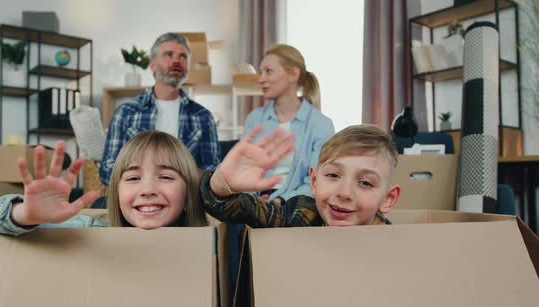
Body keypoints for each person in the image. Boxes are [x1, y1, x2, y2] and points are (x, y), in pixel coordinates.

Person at [0, 131, 208, 235]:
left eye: (166, 177)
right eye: (133, 178)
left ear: (188, 196)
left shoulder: (208, 245)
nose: (147, 190)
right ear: (116, 194)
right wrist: (25, 214)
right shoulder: (90, 231)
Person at [201, 124, 401, 227]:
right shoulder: (298, 214)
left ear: (388, 199)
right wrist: (223, 183)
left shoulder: (393, 246)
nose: (344, 192)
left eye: (365, 182)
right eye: (333, 175)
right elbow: (237, 209)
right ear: (314, 181)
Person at [99, 32, 220, 186]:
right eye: (169, 55)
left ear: (188, 66)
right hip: (136, 199)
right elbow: (107, 171)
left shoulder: (203, 117)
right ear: (152, 64)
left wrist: (179, 177)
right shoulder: (126, 113)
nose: (177, 60)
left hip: (186, 201)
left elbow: (212, 173)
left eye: (183, 56)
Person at [243, 44, 334, 203]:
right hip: (255, 203)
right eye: (261, 72)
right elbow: (243, 169)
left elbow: (317, 181)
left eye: (268, 71)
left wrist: (279, 201)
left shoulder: (321, 124)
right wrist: (254, 202)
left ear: (293, 74)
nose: (261, 79)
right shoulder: (254, 119)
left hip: (296, 202)